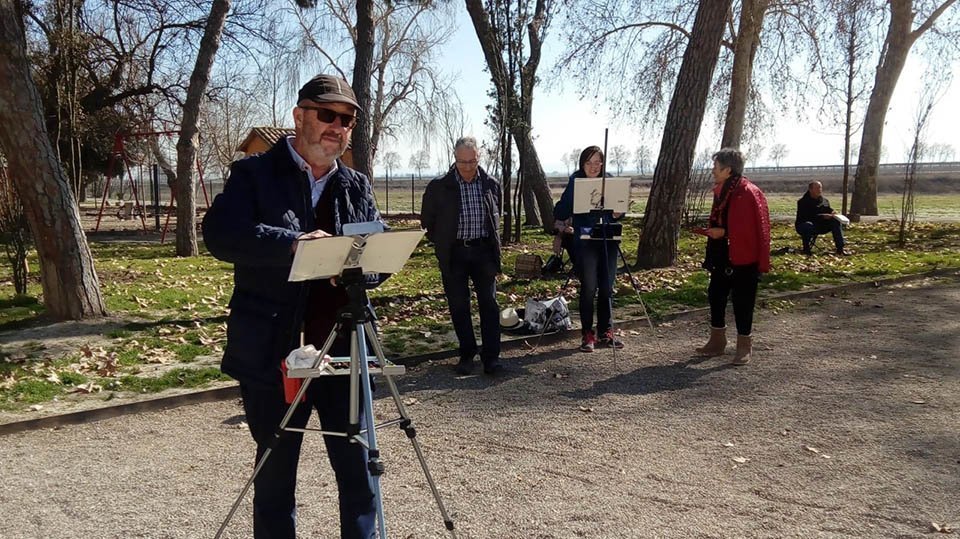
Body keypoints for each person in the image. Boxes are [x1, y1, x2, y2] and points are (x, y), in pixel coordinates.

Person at [202, 74, 382, 539]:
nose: (337, 126)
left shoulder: (355, 184)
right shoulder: (254, 175)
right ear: (299, 116)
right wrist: (294, 244)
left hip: (344, 352)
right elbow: (221, 234)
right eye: (327, 115)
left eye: (347, 119)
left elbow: (377, 258)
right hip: (272, 352)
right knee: (275, 478)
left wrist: (359, 268)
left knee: (359, 476)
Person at [421, 136, 504, 376]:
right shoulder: (439, 187)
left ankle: (492, 358)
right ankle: (467, 354)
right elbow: (428, 221)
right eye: (462, 161)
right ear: (454, 159)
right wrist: (443, 242)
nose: (468, 166)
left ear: (479, 158)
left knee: (489, 305)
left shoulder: (490, 184)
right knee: (459, 306)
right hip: (453, 253)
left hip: (483, 252)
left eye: (472, 161)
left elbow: (495, 218)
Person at [695, 147, 771, 365]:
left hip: (744, 257)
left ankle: (744, 346)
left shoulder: (748, 192)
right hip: (722, 254)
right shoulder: (722, 191)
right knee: (716, 295)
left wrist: (725, 232)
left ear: (727, 170)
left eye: (715, 167)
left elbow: (753, 229)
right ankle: (717, 341)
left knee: (743, 301)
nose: (712, 171)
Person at [552, 146, 624, 352]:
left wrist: (618, 214)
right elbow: (560, 211)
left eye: (597, 162)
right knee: (589, 287)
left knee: (607, 287)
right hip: (585, 242)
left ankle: (606, 331)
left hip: (608, 239)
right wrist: (574, 200)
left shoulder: (609, 181)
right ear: (582, 164)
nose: (593, 167)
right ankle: (587, 334)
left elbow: (617, 212)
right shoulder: (576, 181)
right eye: (589, 162)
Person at [795, 180, 846, 255]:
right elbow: (806, 216)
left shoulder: (824, 200)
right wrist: (822, 216)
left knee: (835, 221)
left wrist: (832, 212)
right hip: (805, 225)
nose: (819, 190)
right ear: (810, 190)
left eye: (820, 188)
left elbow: (828, 209)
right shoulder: (803, 202)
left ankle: (840, 249)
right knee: (807, 225)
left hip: (821, 225)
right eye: (817, 188)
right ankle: (806, 249)